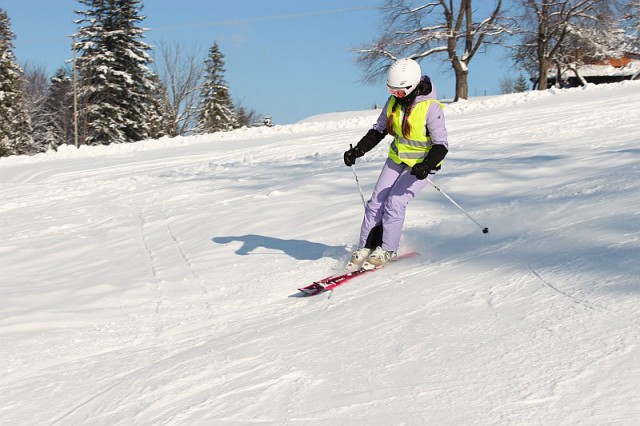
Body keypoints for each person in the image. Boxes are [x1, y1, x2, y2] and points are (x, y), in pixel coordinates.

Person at [343, 58, 448, 271]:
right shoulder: (392, 103)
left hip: (422, 165)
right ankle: (366, 247)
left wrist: (426, 164)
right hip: (398, 158)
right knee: (376, 202)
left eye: (400, 92)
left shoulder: (430, 108)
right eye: (392, 91)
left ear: (413, 87)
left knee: (395, 203)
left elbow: (442, 145)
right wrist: (358, 151)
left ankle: (388, 249)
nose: (396, 96)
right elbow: (379, 130)